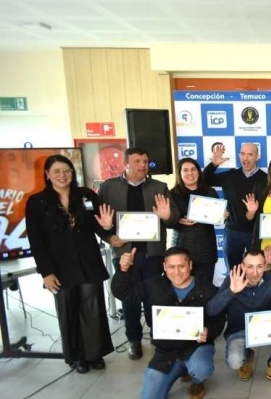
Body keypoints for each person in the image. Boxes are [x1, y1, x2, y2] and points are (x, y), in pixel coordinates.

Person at [26, 154, 115, 373]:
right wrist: (46, 272)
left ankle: (95, 354)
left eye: (66, 170)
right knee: (69, 310)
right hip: (59, 267)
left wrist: (108, 227)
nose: (62, 175)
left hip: (88, 263)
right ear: (47, 174)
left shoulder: (86, 195)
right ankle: (78, 357)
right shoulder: (37, 202)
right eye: (56, 171)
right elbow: (36, 242)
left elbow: (101, 227)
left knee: (93, 310)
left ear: (72, 173)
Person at [112, 246, 224, 399]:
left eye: (182, 266)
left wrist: (209, 330)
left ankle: (197, 379)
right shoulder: (154, 285)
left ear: (190, 265)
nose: (177, 272)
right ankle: (180, 369)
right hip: (166, 352)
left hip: (196, 347)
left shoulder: (206, 288)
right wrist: (123, 270)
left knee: (202, 368)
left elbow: (219, 318)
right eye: (171, 267)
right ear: (164, 267)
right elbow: (123, 292)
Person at [98, 147, 180, 361]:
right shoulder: (108, 188)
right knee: (130, 300)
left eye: (145, 161)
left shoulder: (159, 187)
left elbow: (173, 220)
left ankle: (158, 336)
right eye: (137, 161)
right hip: (125, 255)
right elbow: (98, 221)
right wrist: (108, 237)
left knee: (155, 297)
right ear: (126, 163)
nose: (143, 165)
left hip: (153, 254)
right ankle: (134, 340)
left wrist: (167, 215)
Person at [206, 250, 271, 389]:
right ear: (242, 266)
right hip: (239, 330)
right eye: (250, 267)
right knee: (235, 361)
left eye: (259, 266)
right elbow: (211, 310)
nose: (255, 272)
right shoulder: (232, 280)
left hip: (268, 327)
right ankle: (247, 356)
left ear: (265, 266)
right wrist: (231, 291)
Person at [203, 141, 266, 268]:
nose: (245, 158)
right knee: (233, 272)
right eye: (242, 154)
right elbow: (204, 181)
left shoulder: (266, 179)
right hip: (232, 232)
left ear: (257, 157)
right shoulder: (230, 175)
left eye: (250, 154)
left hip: (256, 233)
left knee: (256, 272)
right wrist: (214, 164)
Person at [169, 158, 219, 285]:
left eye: (193, 169)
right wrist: (178, 221)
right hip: (182, 248)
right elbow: (166, 222)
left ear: (198, 172)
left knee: (205, 289)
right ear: (179, 174)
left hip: (206, 250)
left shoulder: (209, 192)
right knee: (182, 288)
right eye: (185, 170)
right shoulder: (172, 194)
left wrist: (221, 215)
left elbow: (217, 219)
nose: (190, 173)